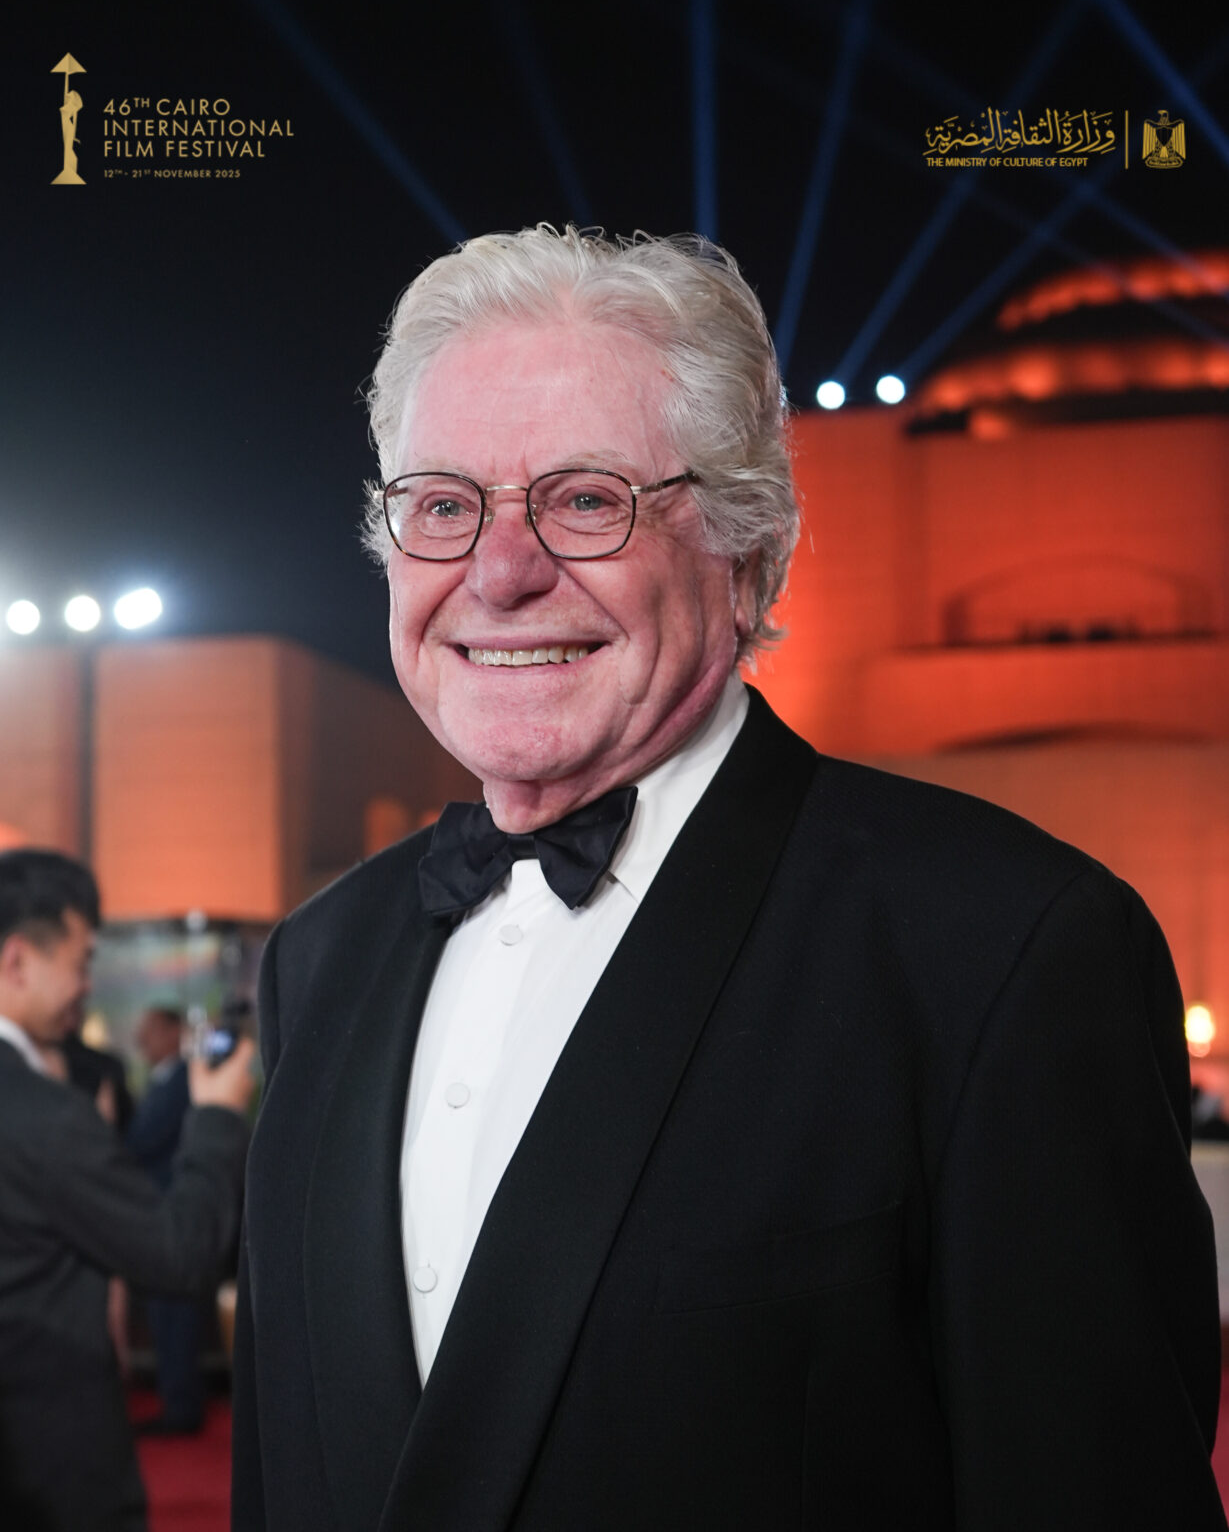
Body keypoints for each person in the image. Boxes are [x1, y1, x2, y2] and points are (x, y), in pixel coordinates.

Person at [233, 226, 1225, 1531]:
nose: (500, 570)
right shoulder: (318, 957)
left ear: (747, 551)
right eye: (443, 505)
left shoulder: (1005, 950)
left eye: (586, 500)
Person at [0, 849, 254, 1532]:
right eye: (81, 963)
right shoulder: (40, 1113)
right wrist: (218, 1116)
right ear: (18, 961)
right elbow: (180, 1256)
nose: (87, 986)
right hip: (45, 1466)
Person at [126, 1004, 205, 1434]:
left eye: (151, 1030)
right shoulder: (164, 1080)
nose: (142, 1040)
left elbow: (144, 1139)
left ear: (175, 1032)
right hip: (158, 1211)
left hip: (171, 1213)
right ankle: (177, 1400)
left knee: (176, 1315)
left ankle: (181, 1406)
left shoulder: (182, 1079)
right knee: (166, 1316)